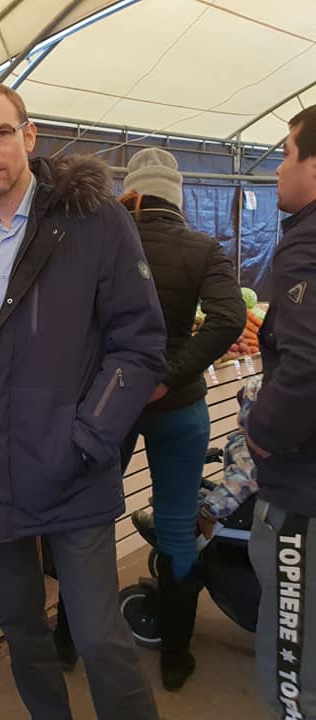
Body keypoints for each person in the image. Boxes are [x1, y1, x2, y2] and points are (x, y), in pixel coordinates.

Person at [0, 82, 165, 720]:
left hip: (70, 466)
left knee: (100, 637)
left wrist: (89, 435)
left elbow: (138, 341)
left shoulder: (94, 221)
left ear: (29, 135)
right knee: (23, 632)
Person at [116, 147, 245, 689]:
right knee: (176, 523)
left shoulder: (110, 243)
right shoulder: (203, 246)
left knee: (90, 517)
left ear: (132, 191)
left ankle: (71, 637)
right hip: (181, 403)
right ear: (177, 196)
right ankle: (175, 657)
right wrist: (170, 376)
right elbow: (230, 317)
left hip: (114, 401)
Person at [245, 105, 316, 719]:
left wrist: (261, 432)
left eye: (287, 154)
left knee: (295, 660)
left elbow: (308, 364)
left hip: (302, 489)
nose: (276, 169)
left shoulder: (306, 247)